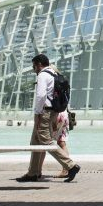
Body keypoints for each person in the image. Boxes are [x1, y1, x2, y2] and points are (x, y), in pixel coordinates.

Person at [17, 54, 81, 183]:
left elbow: (41, 96)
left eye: (34, 66)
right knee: (36, 142)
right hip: (53, 112)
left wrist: (39, 112)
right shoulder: (54, 73)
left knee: (46, 141)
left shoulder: (42, 75)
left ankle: (71, 165)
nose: (33, 69)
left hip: (44, 112)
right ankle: (33, 173)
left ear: (39, 64)